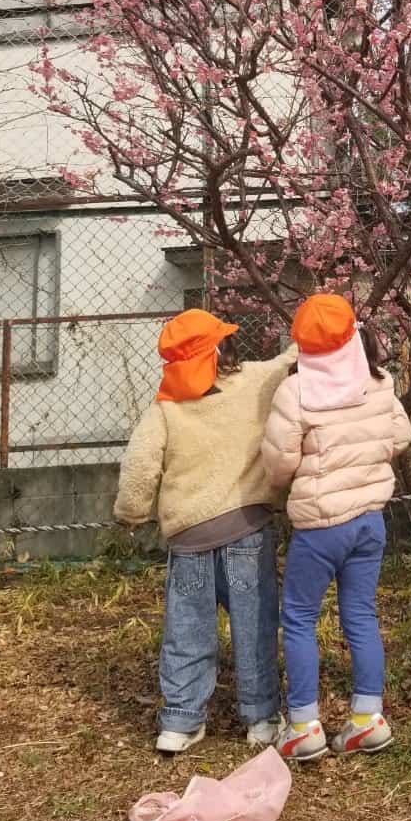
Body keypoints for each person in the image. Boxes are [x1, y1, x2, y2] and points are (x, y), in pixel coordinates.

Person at [114, 308, 296, 755]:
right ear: (221, 349)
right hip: (247, 529)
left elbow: (140, 464)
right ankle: (261, 719)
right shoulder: (254, 381)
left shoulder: (166, 406)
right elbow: (289, 361)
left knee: (187, 629)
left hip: (189, 537)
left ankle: (179, 720)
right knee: (254, 627)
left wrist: (132, 512)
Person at [261, 293, 411, 761]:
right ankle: (368, 718)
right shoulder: (378, 381)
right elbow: (401, 437)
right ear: (354, 334)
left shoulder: (295, 391)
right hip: (370, 520)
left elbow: (279, 462)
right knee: (361, 614)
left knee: (301, 618)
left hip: (319, 526)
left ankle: (303, 725)